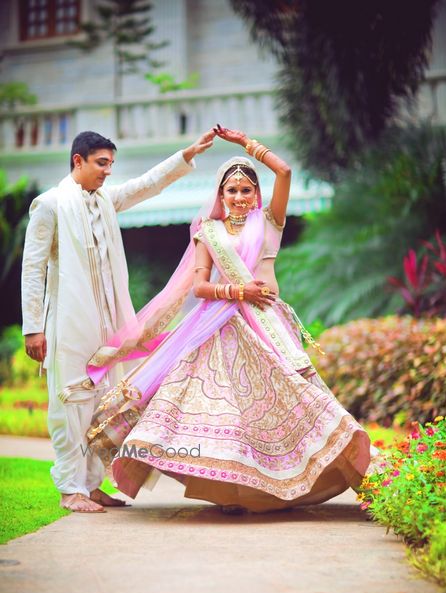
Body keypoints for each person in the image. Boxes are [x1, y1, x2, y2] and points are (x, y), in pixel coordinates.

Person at [86, 125, 372, 514]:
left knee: (297, 401)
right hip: (221, 326)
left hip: (267, 326)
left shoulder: (270, 222)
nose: (239, 196)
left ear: (256, 195)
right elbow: (199, 287)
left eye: (246, 189)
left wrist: (244, 145)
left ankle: (343, 475)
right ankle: (231, 492)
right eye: (231, 190)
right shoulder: (210, 232)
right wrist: (239, 292)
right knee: (227, 412)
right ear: (221, 195)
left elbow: (284, 171)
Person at [21, 128, 215, 513]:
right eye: (101, 163)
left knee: (102, 404)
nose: (108, 172)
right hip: (69, 321)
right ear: (78, 160)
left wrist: (185, 156)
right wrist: (33, 327)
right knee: (71, 402)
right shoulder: (50, 204)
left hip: (110, 325)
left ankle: (92, 486)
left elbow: (146, 185)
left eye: (111, 164)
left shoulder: (106, 200)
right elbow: (33, 268)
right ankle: (69, 489)